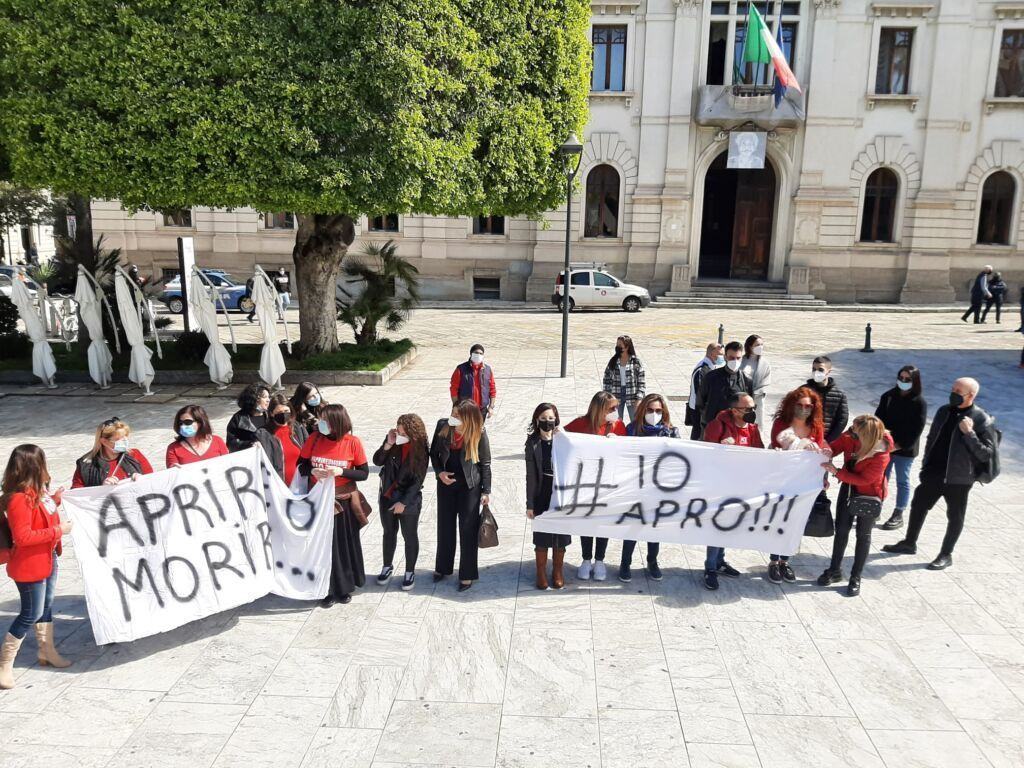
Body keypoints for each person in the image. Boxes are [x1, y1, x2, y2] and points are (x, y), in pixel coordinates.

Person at [882, 377, 998, 570]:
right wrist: (926, 465)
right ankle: (909, 543)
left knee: (955, 516)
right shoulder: (944, 411)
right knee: (918, 506)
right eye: (953, 388)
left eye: (958, 391)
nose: (953, 393)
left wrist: (970, 433)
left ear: (971, 395)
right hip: (933, 472)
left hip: (959, 479)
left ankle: (946, 554)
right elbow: (931, 438)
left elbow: (986, 454)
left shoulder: (981, 419)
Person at [0, 445, 73, 689]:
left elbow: (40, 516)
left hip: (48, 557)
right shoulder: (19, 499)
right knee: (30, 612)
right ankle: (4, 664)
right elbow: (23, 537)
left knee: (47, 605)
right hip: (29, 564)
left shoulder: (38, 492)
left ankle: (47, 651)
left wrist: (55, 500)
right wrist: (57, 531)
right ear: (34, 465)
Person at [297, 404, 369, 605]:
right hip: (318, 500)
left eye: (325, 421)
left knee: (342, 545)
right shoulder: (314, 438)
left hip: (342, 501)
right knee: (322, 546)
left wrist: (341, 472)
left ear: (336, 423)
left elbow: (363, 473)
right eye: (320, 420)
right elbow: (302, 464)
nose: (321, 424)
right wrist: (312, 471)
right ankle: (326, 589)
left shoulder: (352, 442)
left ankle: (344, 587)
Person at [817, 415, 893, 596]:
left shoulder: (881, 453)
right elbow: (833, 448)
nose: (849, 432)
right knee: (842, 529)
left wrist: (836, 471)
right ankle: (834, 570)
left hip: (870, 495)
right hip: (849, 488)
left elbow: (865, 479)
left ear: (866, 436)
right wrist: (823, 450)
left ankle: (855, 577)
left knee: (863, 535)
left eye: (854, 431)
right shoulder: (850, 435)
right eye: (851, 428)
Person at [702, 392, 763, 590]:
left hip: (741, 487)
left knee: (728, 527)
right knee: (717, 527)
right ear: (735, 410)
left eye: (753, 408)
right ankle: (710, 567)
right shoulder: (718, 425)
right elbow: (705, 453)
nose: (751, 412)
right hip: (720, 487)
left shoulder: (752, 429)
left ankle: (720, 560)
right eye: (747, 409)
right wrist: (721, 448)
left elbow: (760, 453)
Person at [564, 391, 627, 581]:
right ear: (599, 409)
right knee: (587, 522)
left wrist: (618, 442)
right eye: (612, 408)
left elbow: (627, 451)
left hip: (608, 482)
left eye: (616, 407)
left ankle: (600, 560)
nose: (616, 411)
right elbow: (563, 441)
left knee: (602, 522)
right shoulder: (580, 424)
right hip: (585, 481)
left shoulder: (618, 425)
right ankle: (586, 559)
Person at [767, 387, 827, 583]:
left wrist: (822, 476)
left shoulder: (816, 427)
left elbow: (817, 456)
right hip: (782, 480)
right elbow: (779, 443)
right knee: (779, 521)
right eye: (800, 405)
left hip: (803, 483)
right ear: (792, 405)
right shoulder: (781, 423)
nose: (803, 409)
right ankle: (774, 561)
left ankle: (785, 561)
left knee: (796, 523)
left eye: (808, 406)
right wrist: (801, 444)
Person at [431, 400, 492, 591]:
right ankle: (443, 567)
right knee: (445, 526)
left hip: (470, 485)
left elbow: (486, 464)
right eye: (453, 413)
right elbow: (433, 454)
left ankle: (467, 574)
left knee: (467, 529)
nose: (453, 417)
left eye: (458, 415)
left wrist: (486, 490)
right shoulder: (443, 426)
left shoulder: (479, 433)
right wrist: (439, 472)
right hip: (446, 483)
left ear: (468, 417)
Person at [620, 394, 679, 583]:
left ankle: (652, 561)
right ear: (643, 410)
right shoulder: (632, 430)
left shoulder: (671, 432)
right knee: (633, 526)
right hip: (636, 486)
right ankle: (625, 563)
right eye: (650, 410)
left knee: (654, 526)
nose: (654, 414)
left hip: (660, 488)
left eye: (658, 411)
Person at [374, 414, 429, 591]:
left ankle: (409, 571)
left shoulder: (420, 448)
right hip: (387, 496)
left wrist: (403, 503)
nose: (399, 434)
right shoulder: (393, 441)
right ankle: (387, 566)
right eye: (398, 430)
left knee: (409, 535)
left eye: (403, 432)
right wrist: (388, 444)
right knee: (389, 532)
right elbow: (377, 461)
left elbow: (417, 480)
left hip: (408, 500)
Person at [874, 366, 927, 531]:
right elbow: (878, 420)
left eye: (907, 379)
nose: (903, 382)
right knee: (881, 478)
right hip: (886, 446)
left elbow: (917, 430)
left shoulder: (919, 402)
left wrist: (897, 446)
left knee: (902, 481)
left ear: (915, 381)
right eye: (901, 378)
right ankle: (876, 507)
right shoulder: (888, 396)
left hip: (905, 449)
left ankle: (899, 512)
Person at [525, 403, 570, 590]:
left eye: (551, 419)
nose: (547, 422)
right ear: (537, 420)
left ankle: (557, 570)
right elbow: (530, 475)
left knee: (560, 533)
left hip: (560, 492)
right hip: (542, 491)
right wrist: (530, 503)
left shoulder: (563, 439)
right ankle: (541, 571)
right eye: (543, 419)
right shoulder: (532, 442)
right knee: (542, 533)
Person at [72, 418, 154, 488]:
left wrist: (142, 479)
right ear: (104, 441)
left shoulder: (135, 454)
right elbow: (77, 494)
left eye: (126, 436)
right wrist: (101, 489)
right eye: (119, 439)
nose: (125, 441)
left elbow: (153, 480)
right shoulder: (86, 464)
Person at [697, 340, 753, 437]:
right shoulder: (711, 377)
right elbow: (700, 401)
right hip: (712, 427)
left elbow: (750, 405)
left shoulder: (746, 380)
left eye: (738, 358)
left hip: (736, 430)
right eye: (731, 358)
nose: (735, 361)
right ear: (725, 357)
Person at [226, 383, 284, 476]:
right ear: (254, 399)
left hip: (272, 463)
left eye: (268, 397)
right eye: (264, 397)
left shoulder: (271, 416)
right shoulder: (238, 418)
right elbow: (231, 443)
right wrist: (249, 444)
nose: (268, 400)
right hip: (250, 466)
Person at [165, 405, 229, 468]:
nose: (182, 426)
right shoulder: (173, 448)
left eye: (187, 422)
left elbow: (228, 464)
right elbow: (172, 473)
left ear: (200, 422)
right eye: (180, 423)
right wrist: (173, 469)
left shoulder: (217, 441)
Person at [806, 356, 849, 444]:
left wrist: (827, 440)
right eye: (814, 369)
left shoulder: (839, 394)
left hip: (826, 442)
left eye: (820, 370)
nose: (816, 372)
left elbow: (842, 420)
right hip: (805, 440)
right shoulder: (804, 391)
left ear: (828, 372)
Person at [602, 335, 645, 423]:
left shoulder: (636, 362)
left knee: (636, 421)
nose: (617, 347)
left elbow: (641, 382)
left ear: (627, 347)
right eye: (617, 344)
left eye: (620, 345)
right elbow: (606, 379)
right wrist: (607, 396)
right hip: (616, 394)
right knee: (615, 421)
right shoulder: (613, 361)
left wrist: (639, 398)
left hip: (632, 395)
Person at [269, 394, 309, 486]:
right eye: (279, 412)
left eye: (286, 411)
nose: (283, 414)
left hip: (301, 483)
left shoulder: (298, 427)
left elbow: (308, 447)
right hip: (279, 486)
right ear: (271, 413)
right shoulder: (264, 433)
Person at [450, 343, 497, 419]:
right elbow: (453, 389)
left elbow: (492, 389)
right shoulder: (461, 369)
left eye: (481, 353)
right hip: (465, 409)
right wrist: (456, 405)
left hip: (481, 410)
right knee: (463, 430)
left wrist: (491, 407)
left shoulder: (488, 370)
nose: (478, 355)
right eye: (476, 353)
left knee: (479, 430)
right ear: (471, 354)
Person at [687, 343, 724, 440]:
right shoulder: (702, 370)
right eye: (720, 354)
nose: (722, 357)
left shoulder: (711, 367)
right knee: (698, 434)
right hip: (699, 410)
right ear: (711, 354)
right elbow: (701, 393)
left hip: (704, 409)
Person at [741, 334, 771, 428]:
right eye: (757, 345)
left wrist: (756, 393)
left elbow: (766, 382)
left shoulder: (765, 363)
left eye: (762, 345)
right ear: (750, 346)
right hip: (741, 398)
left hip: (758, 399)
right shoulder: (741, 360)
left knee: (757, 424)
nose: (760, 347)